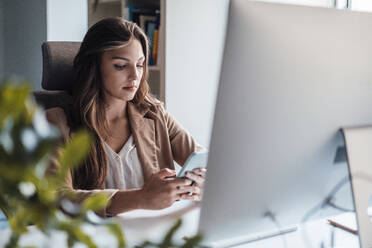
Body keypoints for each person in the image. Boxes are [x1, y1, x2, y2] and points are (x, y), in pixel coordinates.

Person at [46, 17, 206, 217]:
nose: (134, 76)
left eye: (139, 65)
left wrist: (203, 181)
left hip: (152, 232)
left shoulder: (155, 115)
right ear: (94, 67)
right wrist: (141, 198)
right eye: (121, 66)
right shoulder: (57, 122)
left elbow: (201, 159)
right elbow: (56, 198)